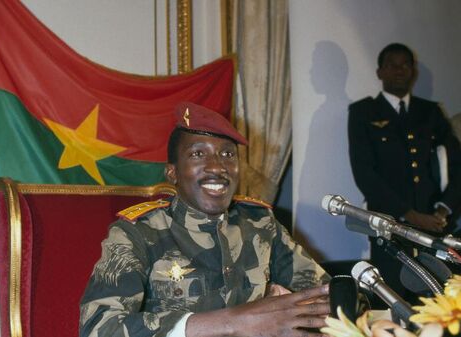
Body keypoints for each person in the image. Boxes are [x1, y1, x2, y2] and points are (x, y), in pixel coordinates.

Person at [79, 102, 330, 337]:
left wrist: (292, 305)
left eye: (228, 155)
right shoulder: (137, 233)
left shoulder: (260, 223)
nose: (217, 167)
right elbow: (99, 327)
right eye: (198, 153)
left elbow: (331, 296)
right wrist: (236, 321)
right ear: (172, 173)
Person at [348, 43, 461, 300]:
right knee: (392, 300)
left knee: (436, 301)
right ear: (380, 72)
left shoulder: (430, 112)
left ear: (413, 71)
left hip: (434, 228)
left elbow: (457, 166)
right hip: (388, 227)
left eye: (405, 65)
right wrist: (408, 214)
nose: (399, 71)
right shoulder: (363, 112)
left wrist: (443, 210)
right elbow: (364, 173)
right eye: (392, 65)